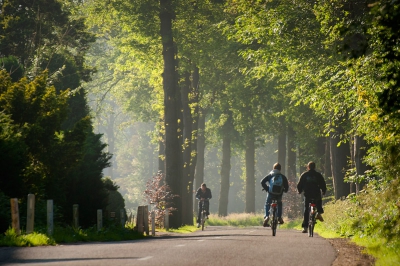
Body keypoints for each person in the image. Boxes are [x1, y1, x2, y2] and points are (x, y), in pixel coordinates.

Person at [297, 161, 327, 233]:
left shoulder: (304, 175)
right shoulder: (318, 175)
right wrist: (323, 191)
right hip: (316, 193)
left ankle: (305, 227)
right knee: (319, 201)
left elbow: (299, 184)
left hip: (307, 194)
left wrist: (299, 191)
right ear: (315, 167)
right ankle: (318, 213)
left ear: (308, 167)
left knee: (306, 209)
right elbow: (323, 183)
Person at [260, 163, 289, 227]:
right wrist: (284, 190)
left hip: (271, 193)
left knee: (267, 204)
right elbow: (286, 187)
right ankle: (279, 217)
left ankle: (267, 216)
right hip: (279, 194)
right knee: (279, 204)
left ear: (273, 168)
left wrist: (267, 188)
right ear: (280, 169)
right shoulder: (283, 177)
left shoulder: (270, 175)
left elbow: (262, 182)